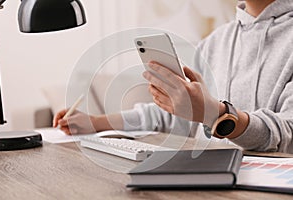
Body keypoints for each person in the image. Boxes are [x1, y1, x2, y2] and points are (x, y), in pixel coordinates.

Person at [54, 0, 293, 153]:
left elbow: (287, 132)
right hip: (207, 176)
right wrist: (95, 123)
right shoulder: (216, 41)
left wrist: (216, 114)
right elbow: (177, 118)